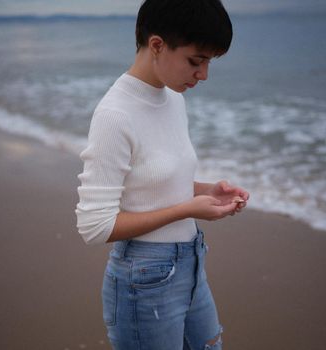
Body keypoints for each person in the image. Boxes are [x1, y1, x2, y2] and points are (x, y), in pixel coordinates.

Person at [75, 0, 249, 348]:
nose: (203, 75)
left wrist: (208, 191)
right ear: (156, 45)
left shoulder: (174, 99)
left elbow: (153, 183)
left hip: (192, 264)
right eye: (195, 61)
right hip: (145, 280)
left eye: (208, 62)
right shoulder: (115, 115)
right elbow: (95, 227)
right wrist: (188, 209)